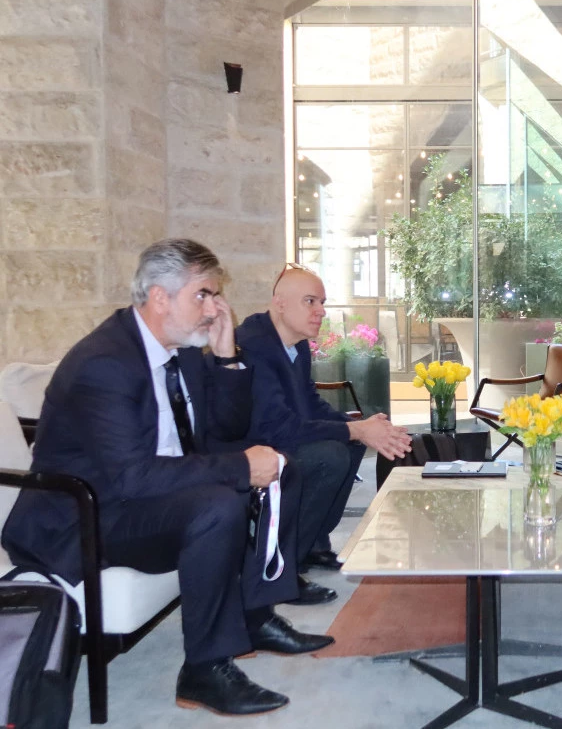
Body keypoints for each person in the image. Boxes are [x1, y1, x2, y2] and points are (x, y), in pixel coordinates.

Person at [1, 239, 333, 717]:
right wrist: (240, 467)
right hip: (88, 515)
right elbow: (131, 477)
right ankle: (205, 669)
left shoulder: (183, 350)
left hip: (140, 497)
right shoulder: (105, 363)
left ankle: (255, 616)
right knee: (218, 504)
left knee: (281, 466)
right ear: (160, 297)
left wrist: (226, 356)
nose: (215, 308)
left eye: (215, 295)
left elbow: (225, 429)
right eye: (203, 295)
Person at [235, 265, 412, 587]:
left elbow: (310, 404)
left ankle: (313, 544)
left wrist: (361, 427)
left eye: (322, 302)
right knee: (329, 456)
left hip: (277, 437)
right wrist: (357, 430)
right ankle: (280, 566)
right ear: (279, 303)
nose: (320, 311)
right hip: (249, 450)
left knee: (351, 443)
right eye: (310, 301)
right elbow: (277, 428)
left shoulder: (297, 344)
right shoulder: (254, 346)